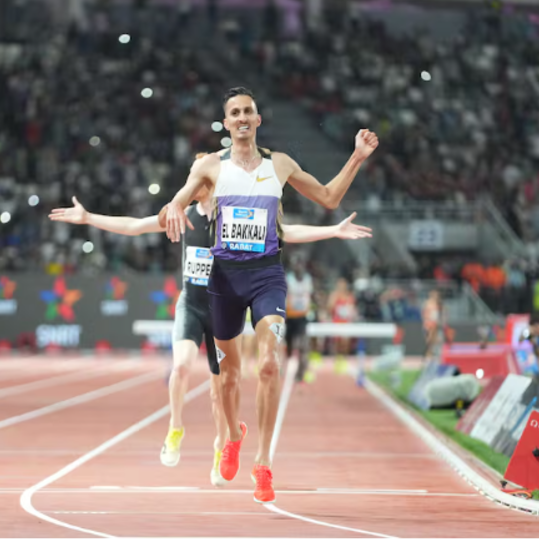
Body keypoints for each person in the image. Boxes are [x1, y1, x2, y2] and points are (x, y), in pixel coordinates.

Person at [48, 170, 371, 488]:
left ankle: (221, 447)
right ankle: (175, 428)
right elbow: (134, 226)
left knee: (220, 393)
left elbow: (284, 232)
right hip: (191, 303)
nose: (198, 183)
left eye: (204, 179)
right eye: (194, 178)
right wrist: (88, 217)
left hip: (221, 306)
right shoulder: (180, 214)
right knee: (181, 366)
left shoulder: (230, 217)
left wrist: (332, 230)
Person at [160, 86, 379, 503]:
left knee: (267, 365)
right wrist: (173, 206)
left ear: (258, 120)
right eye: (235, 112)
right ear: (227, 124)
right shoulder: (209, 166)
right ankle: (234, 437)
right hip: (223, 281)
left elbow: (329, 197)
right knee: (226, 379)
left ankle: (262, 465)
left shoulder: (279, 165)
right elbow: (183, 195)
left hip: (266, 277)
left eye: (249, 111)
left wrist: (356, 158)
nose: (243, 117)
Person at [285, 257, 314, 383]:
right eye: (297, 265)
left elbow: (310, 295)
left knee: (303, 345)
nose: (299, 268)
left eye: (301, 265)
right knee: (290, 345)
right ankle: (288, 360)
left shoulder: (308, 280)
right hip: (290, 316)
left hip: (302, 316)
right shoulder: (288, 279)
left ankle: (301, 372)